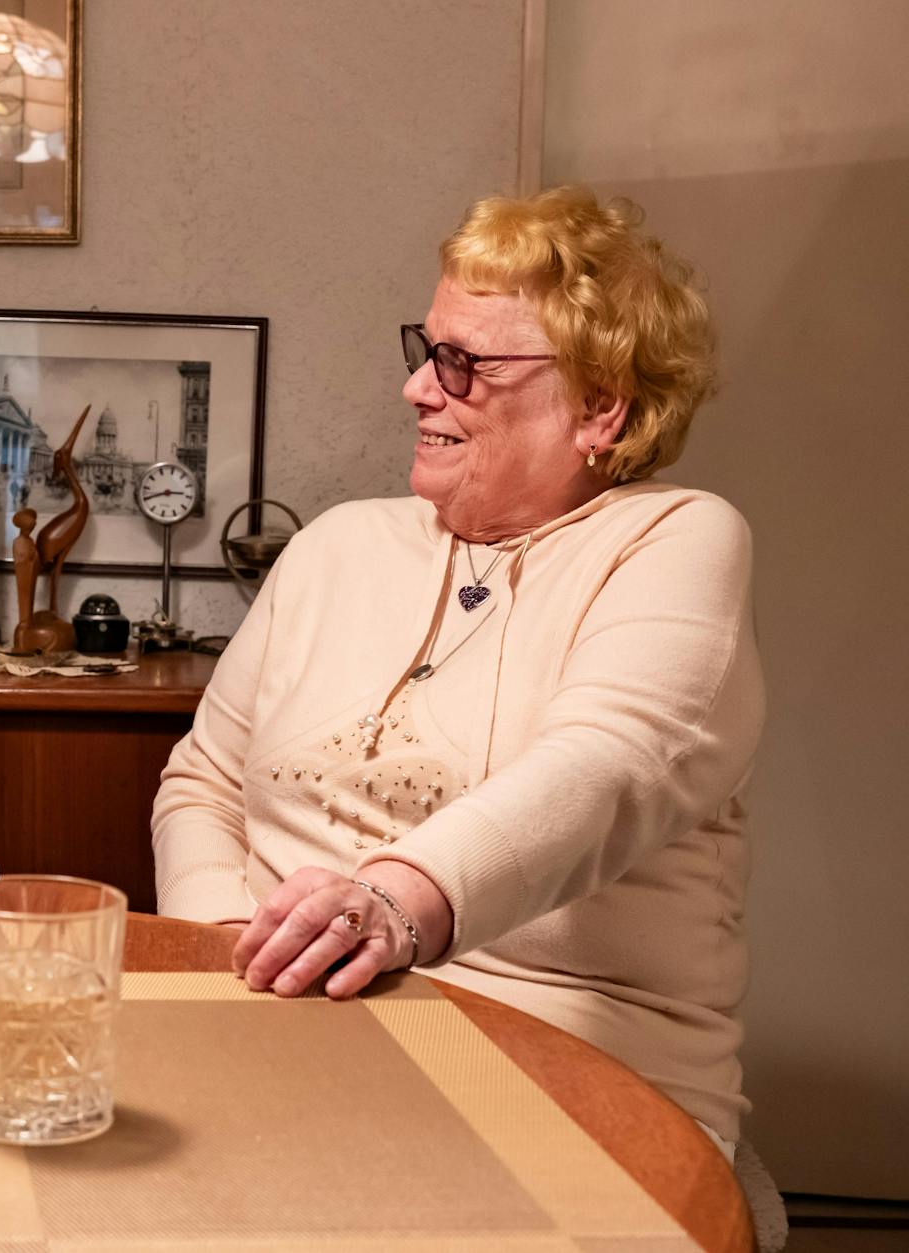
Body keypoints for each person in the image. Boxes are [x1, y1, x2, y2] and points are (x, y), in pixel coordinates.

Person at [152, 186, 762, 1155]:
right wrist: (226, 948)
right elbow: (204, 780)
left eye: (463, 363)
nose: (417, 388)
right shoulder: (335, 545)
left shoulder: (674, 541)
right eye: (426, 349)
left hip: (564, 1069)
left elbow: (607, 763)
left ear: (598, 406)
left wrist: (394, 903)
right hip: (279, 1043)